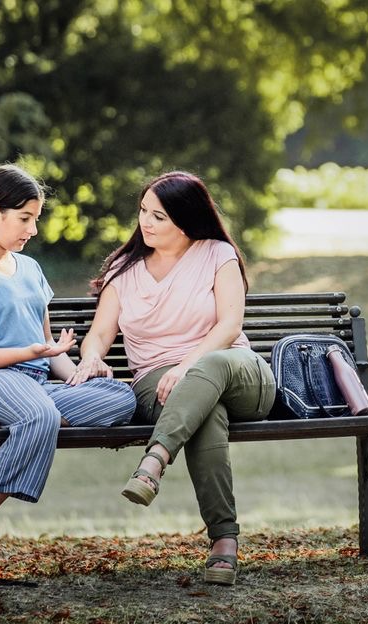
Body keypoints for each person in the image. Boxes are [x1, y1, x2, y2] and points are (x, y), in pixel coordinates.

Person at [69, 170, 275, 586]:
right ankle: (224, 541)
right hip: (159, 383)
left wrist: (187, 365)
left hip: (236, 371)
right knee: (205, 412)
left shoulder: (217, 254)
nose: (146, 222)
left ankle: (154, 460)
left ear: (185, 218)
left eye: (158, 216)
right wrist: (91, 358)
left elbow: (229, 326)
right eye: (144, 211)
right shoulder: (123, 270)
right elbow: (100, 334)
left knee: (207, 371)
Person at [0, 164, 140, 530]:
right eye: (25, 218)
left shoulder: (29, 268)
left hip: (34, 384)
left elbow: (45, 345)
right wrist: (27, 354)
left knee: (121, 397)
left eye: (36, 219)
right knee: (40, 416)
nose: (33, 229)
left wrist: (77, 372)